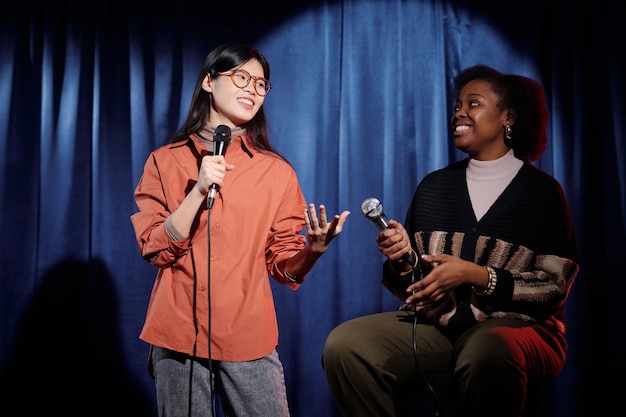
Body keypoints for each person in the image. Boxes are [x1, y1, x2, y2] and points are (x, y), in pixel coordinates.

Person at [321, 64, 579, 417]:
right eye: (457, 105)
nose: (459, 112)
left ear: (508, 117)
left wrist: (477, 276)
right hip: (443, 324)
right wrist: (403, 259)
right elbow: (415, 284)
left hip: (522, 329)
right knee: (347, 345)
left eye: (473, 103)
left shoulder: (542, 193)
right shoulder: (434, 187)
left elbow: (554, 286)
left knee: (487, 350)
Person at [130, 43, 350, 417]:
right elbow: (155, 248)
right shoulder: (163, 161)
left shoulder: (276, 172)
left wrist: (312, 250)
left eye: (261, 84)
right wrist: (198, 191)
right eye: (242, 77)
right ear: (209, 82)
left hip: (248, 335)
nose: (252, 89)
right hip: (178, 334)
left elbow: (282, 266)